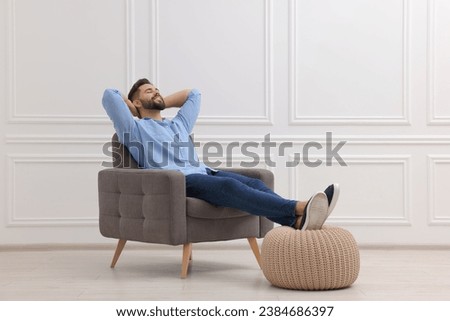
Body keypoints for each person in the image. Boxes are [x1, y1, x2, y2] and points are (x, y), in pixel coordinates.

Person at [102, 78, 339, 230]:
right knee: (229, 187)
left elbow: (194, 94)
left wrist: (158, 101)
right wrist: (134, 109)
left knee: (255, 182)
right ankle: (301, 206)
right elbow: (109, 94)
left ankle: (297, 221)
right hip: (176, 181)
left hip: (204, 173)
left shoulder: (178, 125)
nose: (155, 92)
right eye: (148, 91)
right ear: (135, 102)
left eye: (157, 89)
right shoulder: (134, 130)